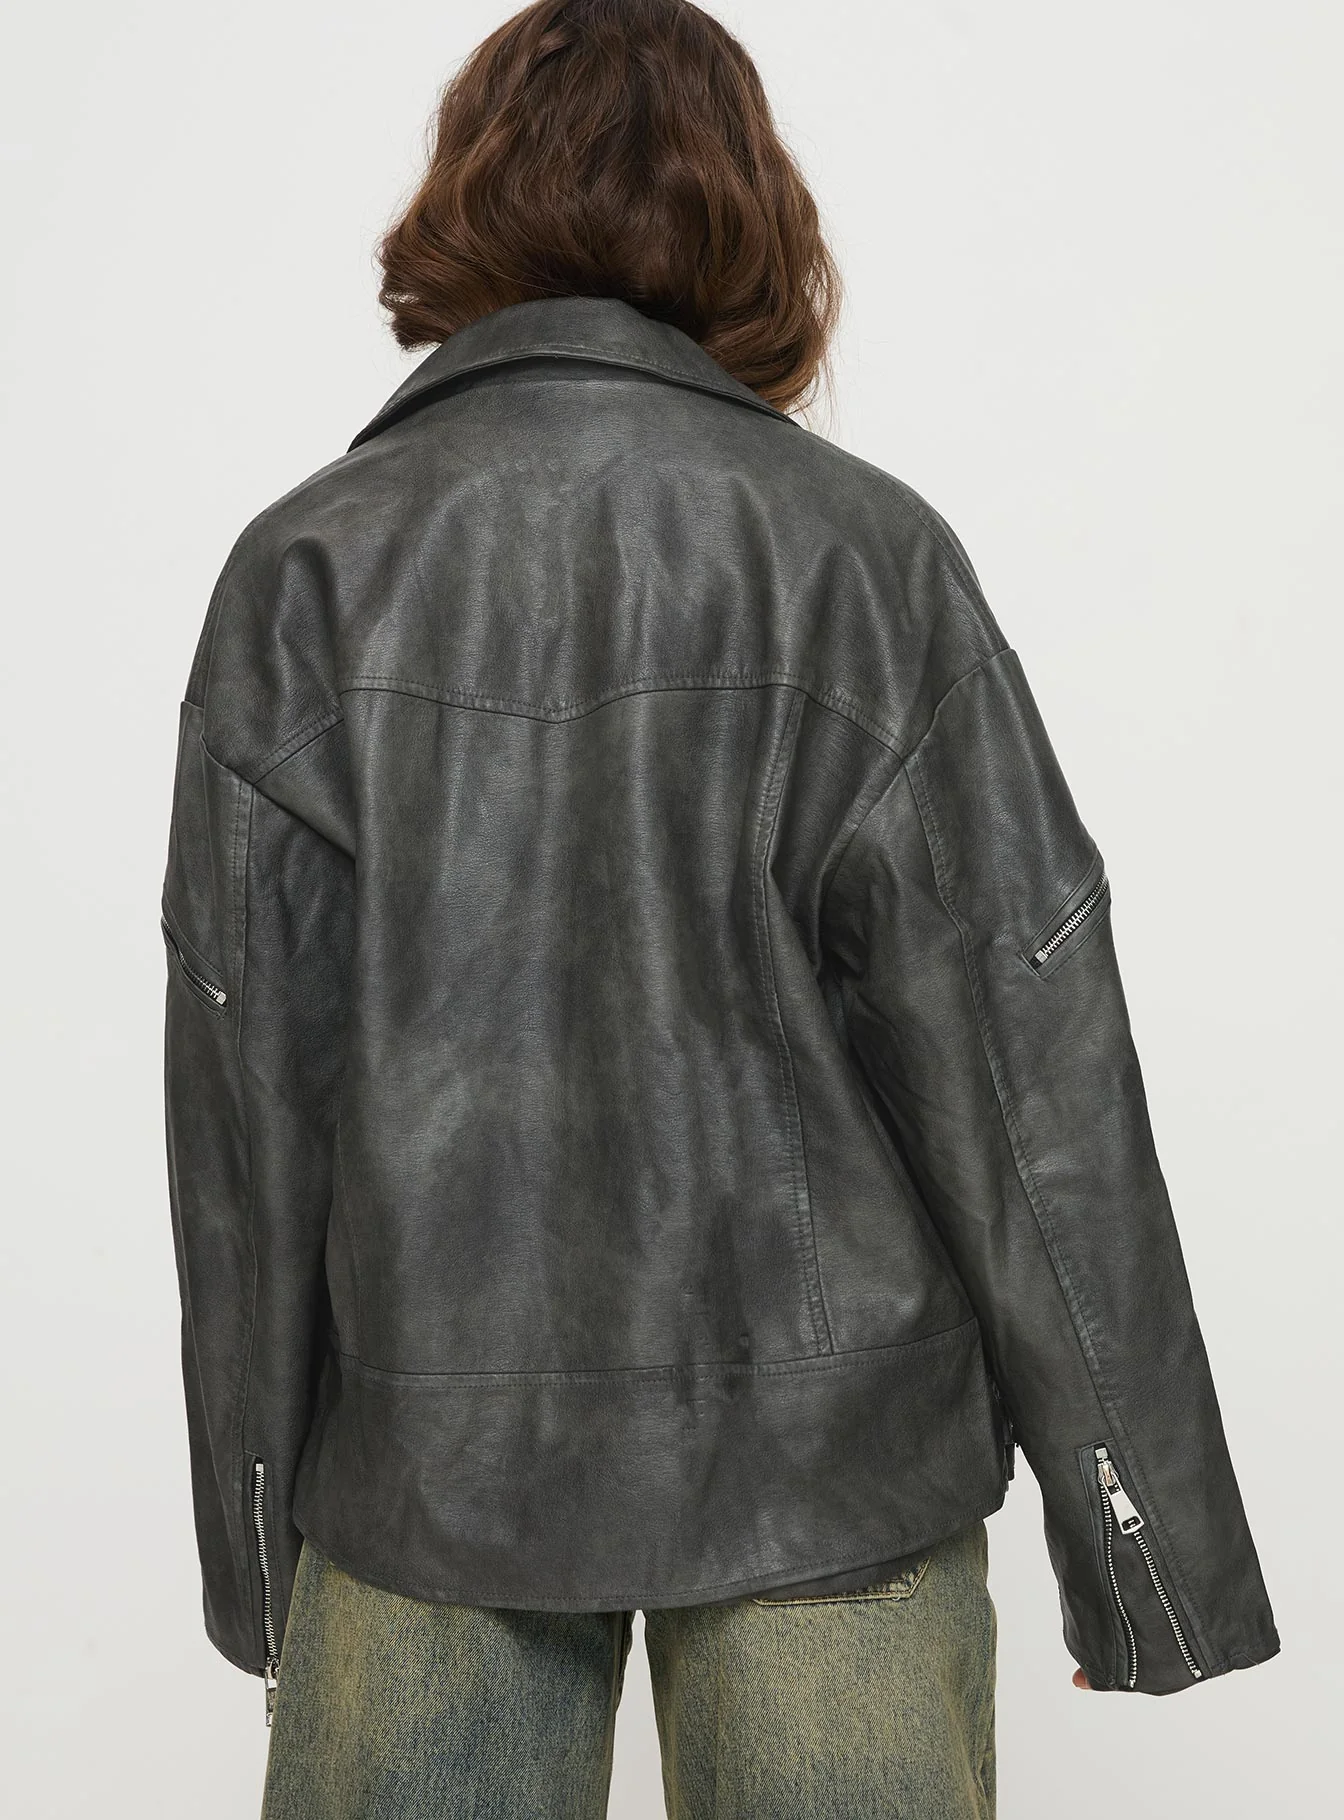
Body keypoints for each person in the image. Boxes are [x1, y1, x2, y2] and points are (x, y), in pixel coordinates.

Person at [159, 2, 1279, 1814]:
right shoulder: (862, 553)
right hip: (838, 1467)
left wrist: (257, 1529)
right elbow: (1025, 1060)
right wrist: (1142, 1539)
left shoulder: (308, 569)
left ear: (468, 199)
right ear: (751, 217)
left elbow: (244, 1107)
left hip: (428, 1473)